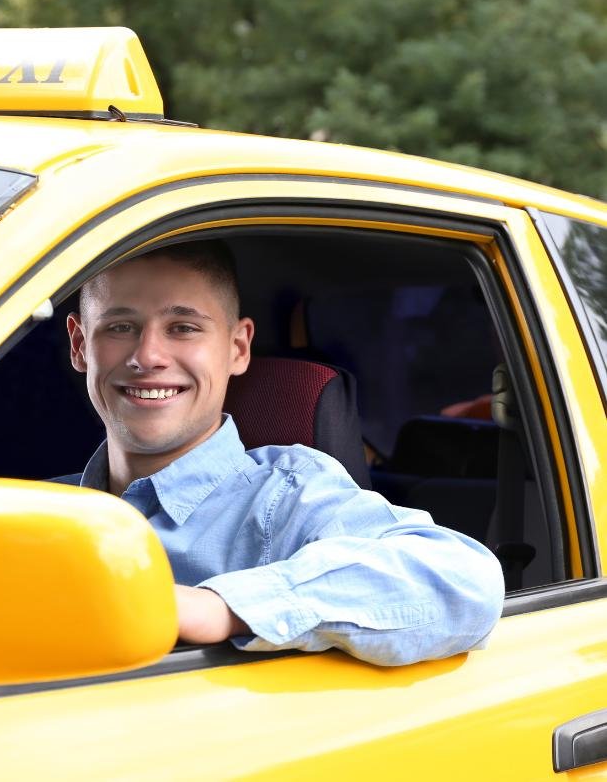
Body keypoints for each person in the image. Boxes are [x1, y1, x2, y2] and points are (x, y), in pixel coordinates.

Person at [60, 240, 505, 666]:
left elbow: (463, 582)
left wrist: (218, 607)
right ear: (80, 345)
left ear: (238, 348)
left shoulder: (286, 497)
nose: (148, 356)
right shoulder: (43, 511)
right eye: (120, 327)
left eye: (183, 328)